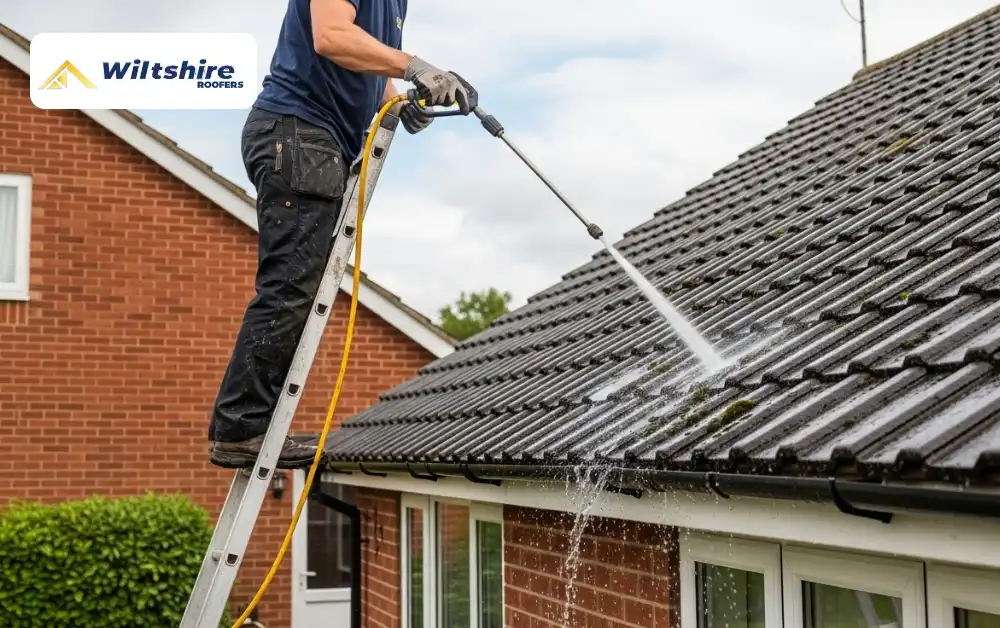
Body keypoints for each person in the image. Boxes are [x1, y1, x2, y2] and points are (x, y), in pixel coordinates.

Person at [207, 0, 470, 469]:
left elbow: (369, 63)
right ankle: (241, 428)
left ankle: (244, 425)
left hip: (310, 140)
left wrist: (400, 103)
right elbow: (331, 36)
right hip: (299, 134)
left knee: (297, 289)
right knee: (290, 288)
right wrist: (416, 66)